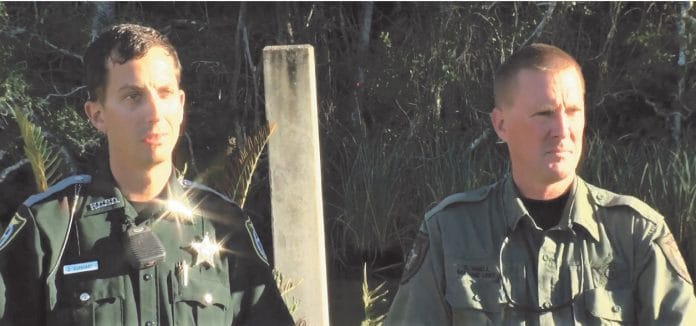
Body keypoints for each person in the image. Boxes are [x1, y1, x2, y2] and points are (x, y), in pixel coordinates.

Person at [0, 23, 293, 325]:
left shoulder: (223, 226)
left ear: (180, 106)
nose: (154, 113)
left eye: (165, 93)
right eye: (132, 97)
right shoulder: (49, 226)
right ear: (97, 115)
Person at [385, 43, 696, 324]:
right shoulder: (450, 232)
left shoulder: (636, 233)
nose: (562, 129)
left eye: (573, 112)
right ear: (501, 124)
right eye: (544, 114)